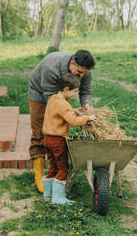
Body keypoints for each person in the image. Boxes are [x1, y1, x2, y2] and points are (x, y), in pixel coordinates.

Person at [28, 49, 95, 193]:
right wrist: (70, 113)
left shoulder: (84, 71)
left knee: (56, 129)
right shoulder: (51, 67)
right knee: (40, 132)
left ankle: (52, 176)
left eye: (84, 73)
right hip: (40, 92)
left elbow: (86, 92)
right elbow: (51, 99)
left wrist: (87, 106)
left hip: (61, 96)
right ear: (72, 63)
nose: (82, 76)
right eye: (79, 73)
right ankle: (39, 175)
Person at [42, 73, 96, 204]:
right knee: (63, 168)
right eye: (75, 91)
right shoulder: (64, 104)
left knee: (53, 166)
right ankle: (58, 199)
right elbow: (73, 121)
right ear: (66, 89)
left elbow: (61, 112)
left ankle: (48, 194)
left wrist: (74, 111)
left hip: (47, 138)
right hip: (57, 140)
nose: (75, 94)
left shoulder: (53, 99)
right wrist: (87, 118)